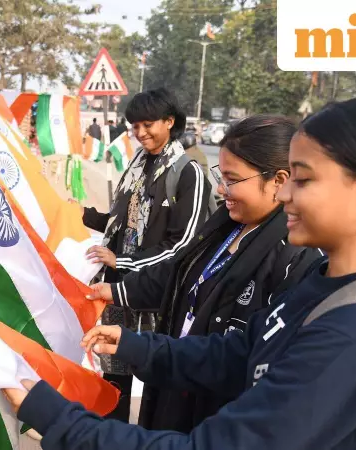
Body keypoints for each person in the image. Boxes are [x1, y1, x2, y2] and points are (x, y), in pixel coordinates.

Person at [3, 96, 356, 449]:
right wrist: (142, 347)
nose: (287, 195)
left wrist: (59, 418)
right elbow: (241, 353)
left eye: (303, 179)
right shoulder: (333, 286)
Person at [91, 115, 322, 433]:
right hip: (176, 383)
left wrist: (143, 349)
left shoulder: (296, 257)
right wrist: (115, 292)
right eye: (221, 175)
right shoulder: (225, 226)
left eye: (232, 179)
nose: (222, 188)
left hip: (218, 415)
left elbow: (246, 357)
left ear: (279, 181)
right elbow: (179, 277)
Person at [81, 88, 212, 421]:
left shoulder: (188, 173)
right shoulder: (138, 166)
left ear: (170, 121)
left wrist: (122, 261)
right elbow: (119, 223)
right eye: (134, 126)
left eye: (148, 124)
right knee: (115, 382)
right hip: (119, 295)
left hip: (156, 297)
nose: (140, 133)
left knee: (156, 380)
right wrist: (80, 215)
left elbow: (183, 244)